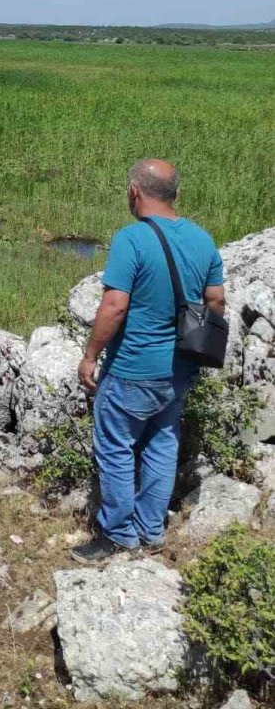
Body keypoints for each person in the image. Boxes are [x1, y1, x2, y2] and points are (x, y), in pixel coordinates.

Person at [72, 158, 225, 564]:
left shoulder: (131, 240)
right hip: (180, 368)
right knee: (162, 441)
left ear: (135, 192)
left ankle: (119, 534)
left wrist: (90, 356)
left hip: (133, 368)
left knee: (116, 446)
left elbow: (115, 305)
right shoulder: (202, 239)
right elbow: (216, 301)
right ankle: (151, 530)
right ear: (175, 194)